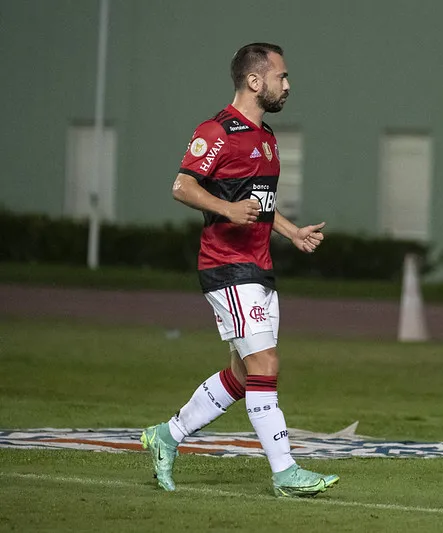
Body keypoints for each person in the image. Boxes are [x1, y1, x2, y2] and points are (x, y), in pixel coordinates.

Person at [141, 42, 339, 498]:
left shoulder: (266, 138)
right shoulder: (217, 131)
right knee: (265, 362)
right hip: (227, 267)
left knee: (244, 374)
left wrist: (289, 231)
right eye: (281, 77)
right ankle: (285, 471)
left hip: (260, 267)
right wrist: (226, 210)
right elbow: (183, 186)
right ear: (255, 80)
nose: (287, 85)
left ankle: (166, 436)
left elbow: (260, 207)